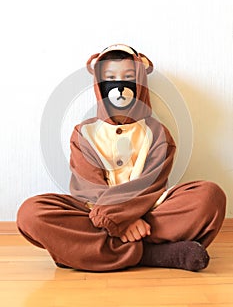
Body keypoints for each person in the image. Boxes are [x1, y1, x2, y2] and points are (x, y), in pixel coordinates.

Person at [17, 44, 226, 272]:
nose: (119, 86)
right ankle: (153, 254)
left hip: (148, 210)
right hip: (93, 211)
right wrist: (117, 221)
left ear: (140, 83)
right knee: (31, 213)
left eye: (128, 78)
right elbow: (88, 187)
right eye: (110, 78)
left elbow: (151, 186)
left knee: (210, 197)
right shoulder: (83, 133)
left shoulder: (158, 133)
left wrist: (119, 219)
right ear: (98, 85)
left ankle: (81, 251)